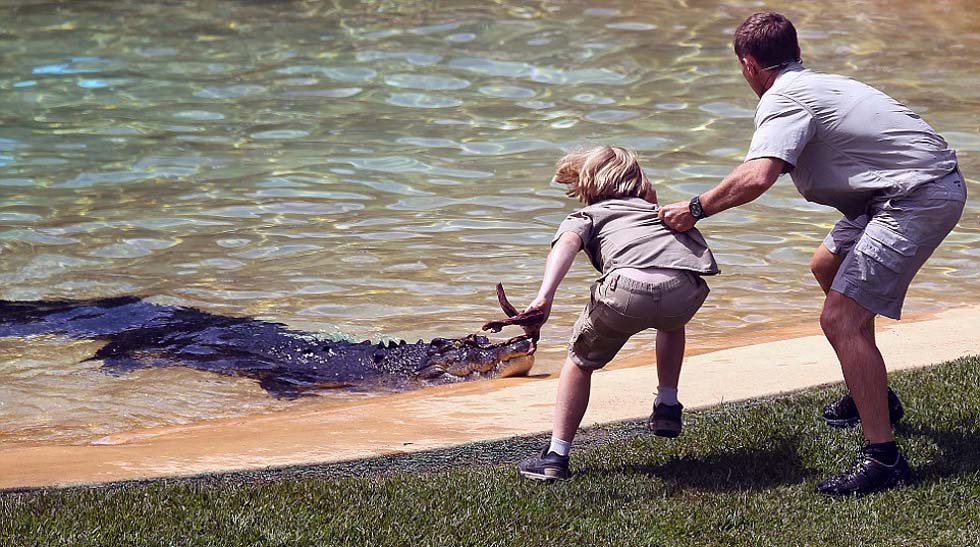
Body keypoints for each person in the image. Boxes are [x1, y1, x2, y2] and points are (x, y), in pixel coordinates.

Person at [659, 12, 966, 495]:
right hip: (902, 190)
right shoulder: (819, 84)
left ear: (749, 65)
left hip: (915, 196)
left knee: (840, 318)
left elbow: (758, 175)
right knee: (827, 265)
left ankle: (884, 459)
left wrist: (694, 210)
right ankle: (874, 396)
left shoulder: (783, 98)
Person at [516, 145, 719, 481]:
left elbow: (566, 245)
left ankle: (556, 456)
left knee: (579, 362)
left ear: (587, 185)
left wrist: (544, 297)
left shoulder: (587, 216)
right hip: (684, 289)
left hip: (625, 292)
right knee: (671, 323)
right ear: (639, 180)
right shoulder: (660, 212)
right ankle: (667, 404)